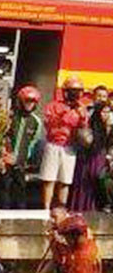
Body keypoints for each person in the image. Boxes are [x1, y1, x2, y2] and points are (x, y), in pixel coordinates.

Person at [41, 76, 89, 209]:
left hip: (70, 147)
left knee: (65, 181)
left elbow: (84, 129)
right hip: (54, 144)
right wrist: (65, 112)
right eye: (72, 90)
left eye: (77, 91)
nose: (74, 94)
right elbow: (48, 123)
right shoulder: (54, 105)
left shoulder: (81, 109)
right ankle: (46, 208)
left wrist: (82, 116)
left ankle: (61, 207)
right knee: (49, 179)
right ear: (65, 91)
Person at [69, 85, 111, 212]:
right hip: (88, 156)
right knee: (83, 183)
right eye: (99, 96)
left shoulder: (109, 123)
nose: (101, 99)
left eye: (104, 96)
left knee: (97, 181)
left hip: (101, 156)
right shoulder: (86, 114)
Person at [2, 85, 45, 209]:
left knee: (20, 186)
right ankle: (4, 209)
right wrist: (6, 153)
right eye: (27, 101)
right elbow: (4, 136)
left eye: (32, 102)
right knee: (5, 185)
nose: (29, 104)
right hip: (7, 158)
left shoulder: (35, 121)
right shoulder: (11, 117)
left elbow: (34, 141)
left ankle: (21, 210)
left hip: (21, 160)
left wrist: (26, 156)